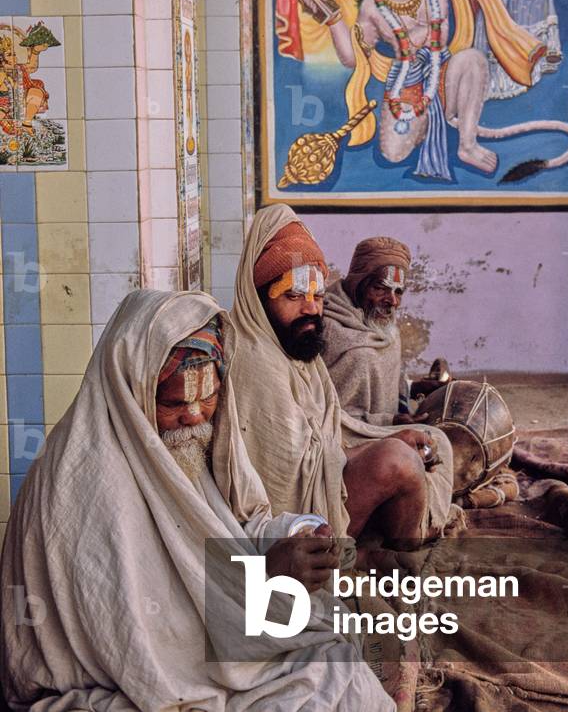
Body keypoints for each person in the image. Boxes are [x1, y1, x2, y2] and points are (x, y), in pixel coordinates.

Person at [1, 289, 393, 711]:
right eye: (174, 401)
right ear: (132, 391)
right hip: (126, 685)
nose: (193, 415)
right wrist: (263, 580)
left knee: (339, 669)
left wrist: (293, 535)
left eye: (208, 396)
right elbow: (150, 643)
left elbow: (238, 525)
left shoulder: (185, 443)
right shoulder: (84, 483)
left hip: (206, 655)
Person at [229, 204, 457, 550]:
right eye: (293, 295)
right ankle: (398, 551)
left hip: (332, 469)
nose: (311, 308)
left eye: (317, 296)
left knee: (422, 442)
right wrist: (381, 444)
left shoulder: (297, 346)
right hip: (299, 523)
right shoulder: (255, 360)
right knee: (398, 460)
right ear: (258, 296)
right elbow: (291, 476)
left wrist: (389, 430)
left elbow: (325, 434)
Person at [319, 0, 547, 181]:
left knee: (473, 60)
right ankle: (427, 123)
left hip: (446, 74)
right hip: (409, 85)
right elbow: (352, 58)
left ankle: (467, 144)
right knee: (394, 154)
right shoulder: (371, 10)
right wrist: (333, 20)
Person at [323, 236, 424, 427]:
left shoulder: (387, 330)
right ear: (357, 284)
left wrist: (415, 388)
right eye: (380, 289)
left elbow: (382, 384)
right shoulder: (328, 327)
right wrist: (389, 422)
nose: (392, 301)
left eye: (398, 292)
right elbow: (327, 416)